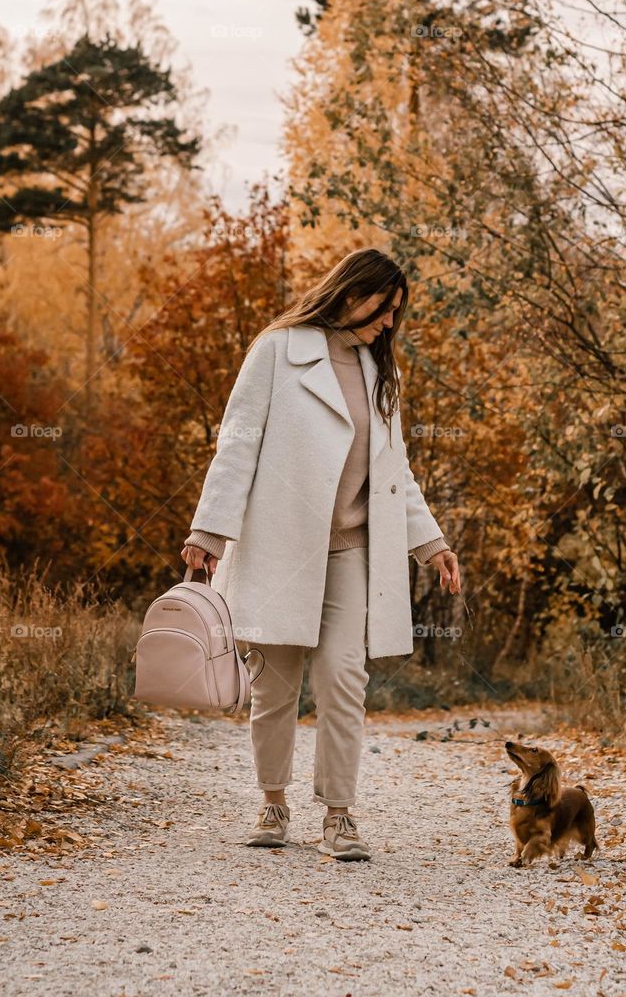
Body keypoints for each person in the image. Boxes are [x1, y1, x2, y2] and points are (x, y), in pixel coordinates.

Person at [181, 247, 461, 860]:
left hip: (353, 550)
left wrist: (431, 542)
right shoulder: (277, 351)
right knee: (274, 686)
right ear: (350, 291)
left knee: (343, 677)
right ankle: (273, 803)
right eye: (383, 308)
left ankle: (339, 815)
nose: (389, 323)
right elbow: (236, 447)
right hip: (280, 546)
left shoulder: (378, 369)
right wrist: (209, 532)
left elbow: (396, 470)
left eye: (395, 313)